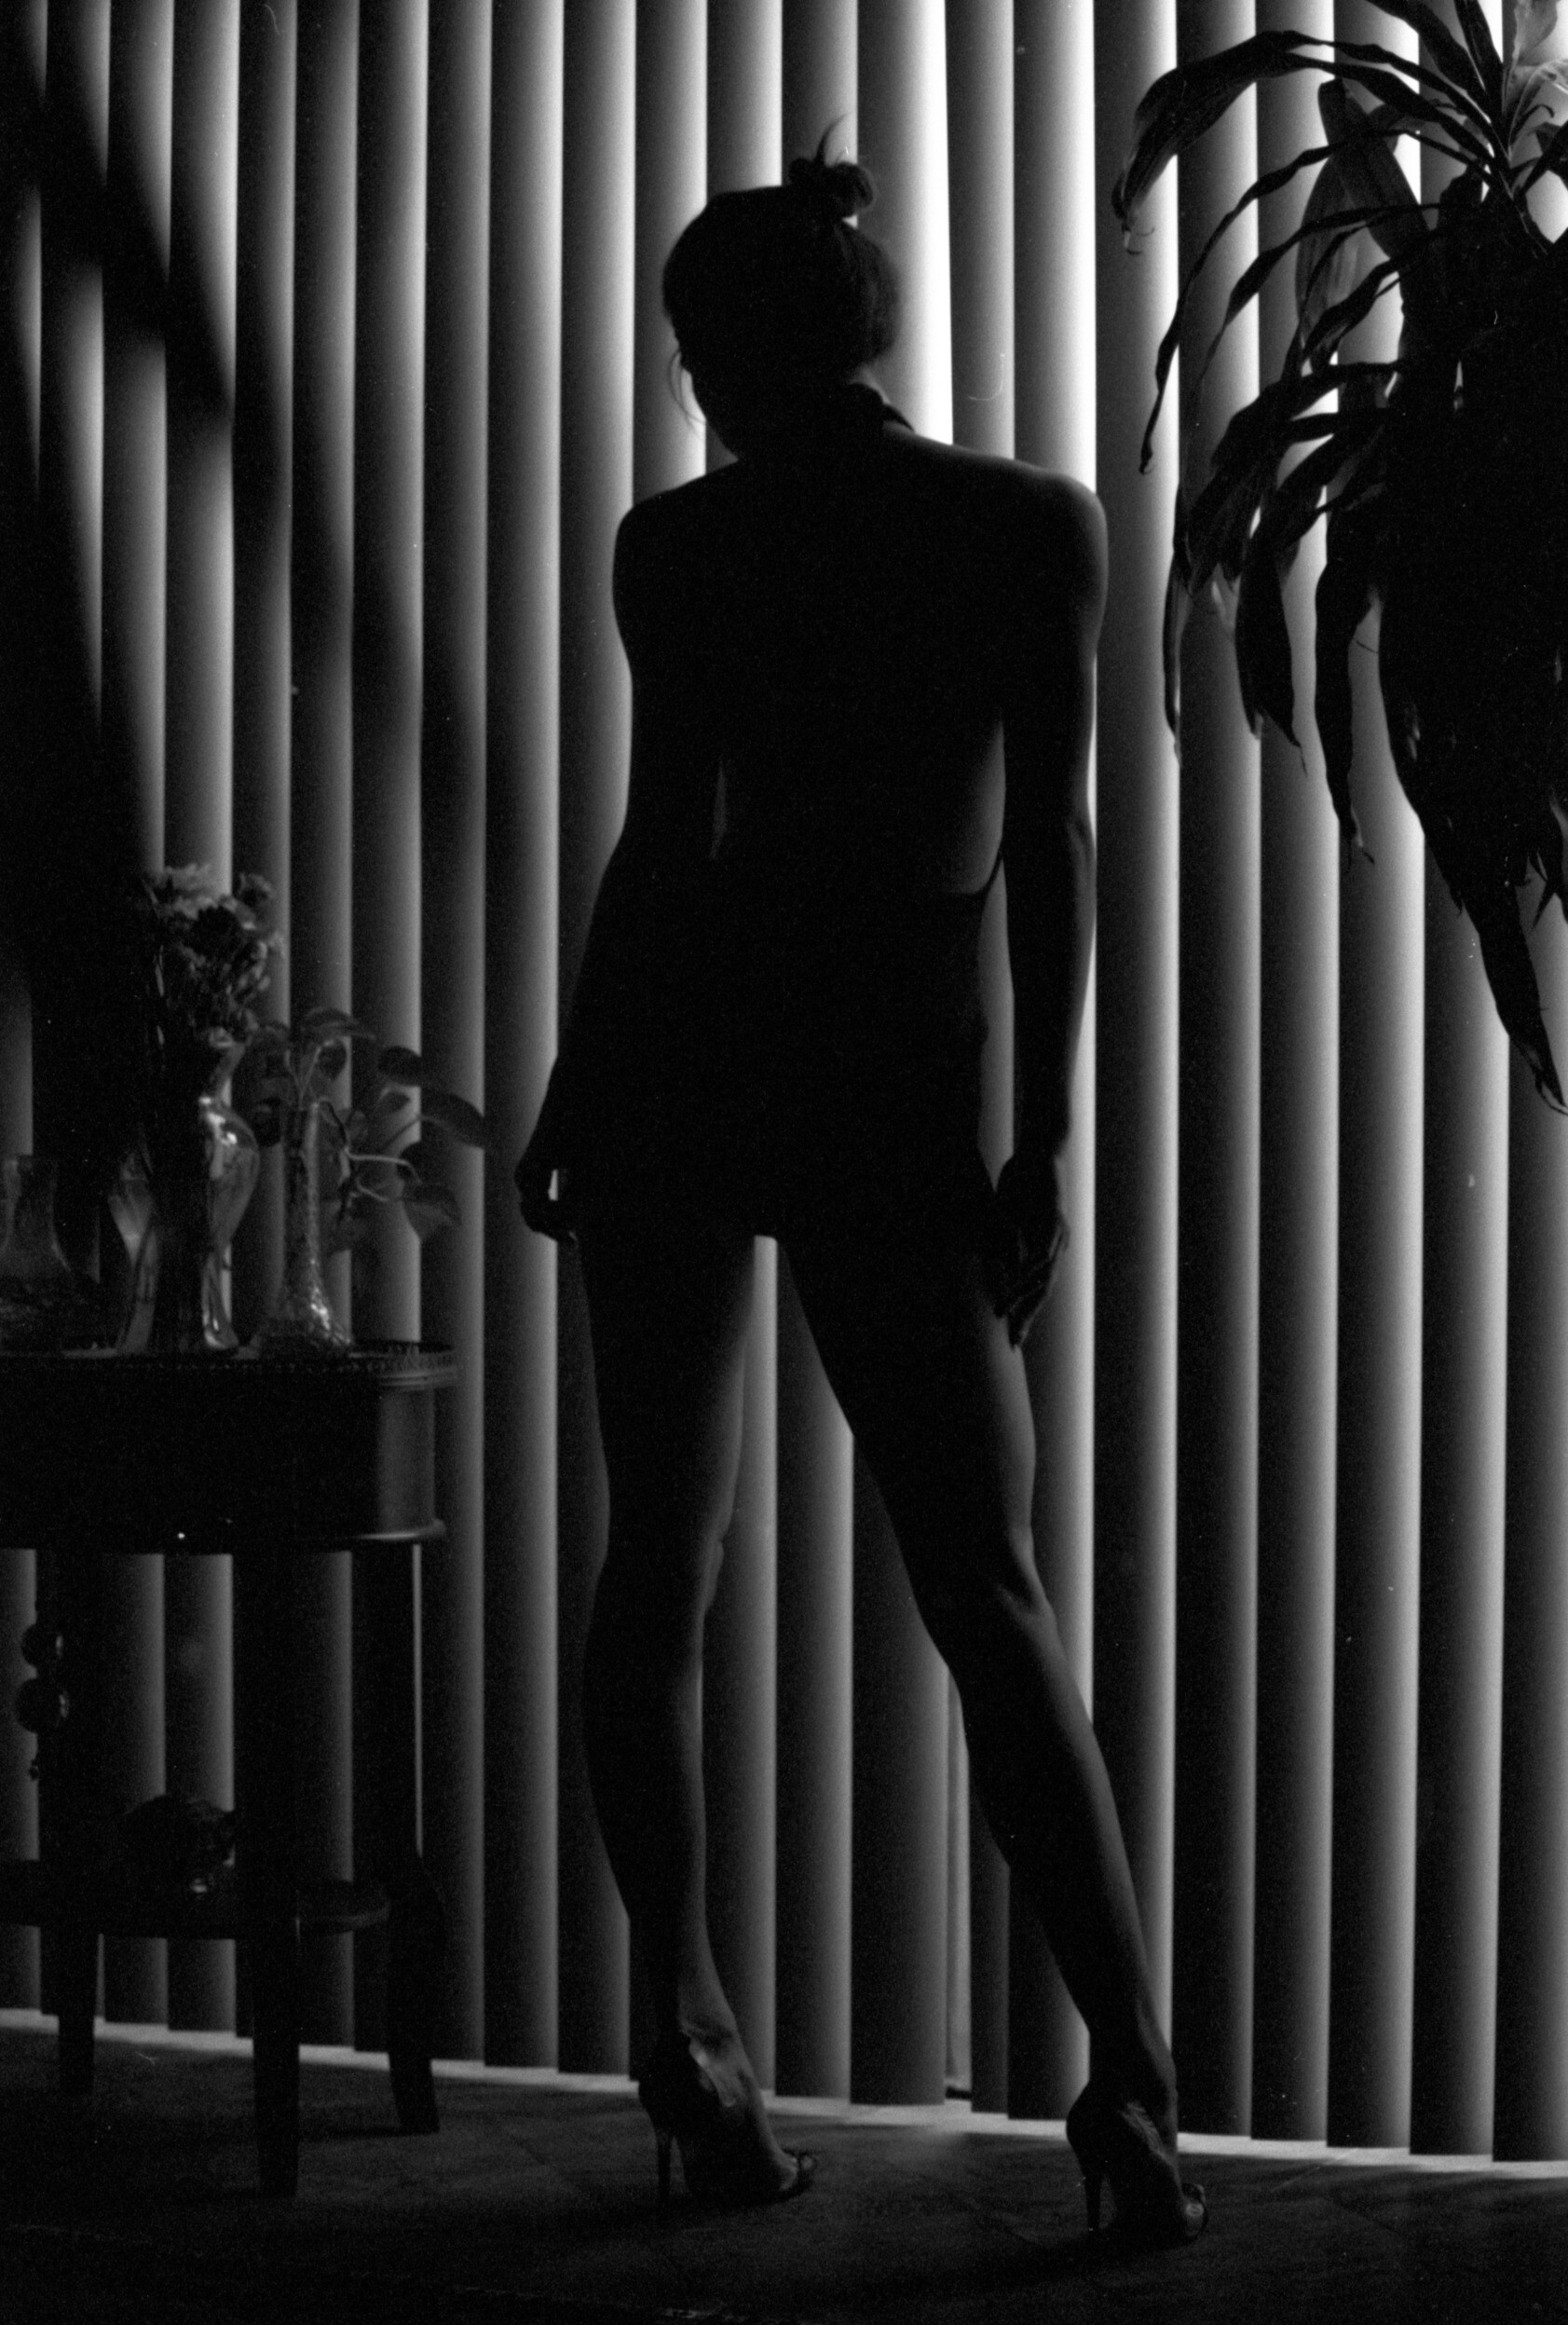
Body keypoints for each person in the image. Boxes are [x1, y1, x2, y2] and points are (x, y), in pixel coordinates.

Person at [516, 143, 1206, 2246]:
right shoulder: (1025, 524)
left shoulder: (676, 544)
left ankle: (692, 2049)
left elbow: (665, 842)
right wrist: (1038, 1141)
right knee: (988, 1594)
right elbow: (1050, 848)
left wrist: (580, 1081)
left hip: (687, 1058)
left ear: (712, 355)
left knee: (658, 1565)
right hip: (885, 1068)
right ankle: (1131, 2091)